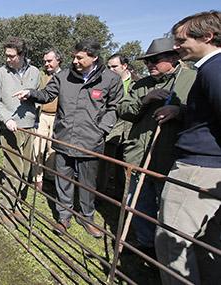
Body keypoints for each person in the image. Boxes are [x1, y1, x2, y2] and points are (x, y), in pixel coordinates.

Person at [14, 39, 123, 238]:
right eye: (73, 57)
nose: (74, 61)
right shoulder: (64, 76)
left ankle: (86, 217)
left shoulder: (110, 79)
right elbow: (47, 95)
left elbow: (115, 107)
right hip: (64, 139)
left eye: (80, 58)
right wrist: (30, 94)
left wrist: (102, 130)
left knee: (87, 183)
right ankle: (63, 217)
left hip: (91, 143)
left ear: (94, 57)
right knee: (62, 180)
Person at [154, 11, 221, 285]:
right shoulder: (209, 69)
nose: (176, 46)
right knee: (206, 244)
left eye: (182, 40)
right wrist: (181, 111)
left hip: (198, 170)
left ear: (207, 36)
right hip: (210, 168)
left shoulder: (214, 69)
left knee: (172, 242)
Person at [117, 37, 196, 256]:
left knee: (167, 207)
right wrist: (145, 100)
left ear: (173, 58)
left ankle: (166, 249)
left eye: (155, 60)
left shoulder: (192, 79)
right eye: (147, 61)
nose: (149, 65)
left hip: (170, 157)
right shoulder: (142, 84)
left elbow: (204, 116)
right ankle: (145, 243)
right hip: (139, 154)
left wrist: (179, 112)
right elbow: (123, 110)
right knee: (138, 201)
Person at [0, 37, 40, 220]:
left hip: (29, 128)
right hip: (10, 128)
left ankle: (16, 204)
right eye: (6, 56)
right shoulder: (0, 74)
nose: (8, 59)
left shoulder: (35, 72)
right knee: (13, 168)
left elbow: (40, 96)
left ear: (22, 54)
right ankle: (5, 208)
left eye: (11, 56)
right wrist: (7, 119)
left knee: (26, 169)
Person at [97, 54, 135, 199]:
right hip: (111, 130)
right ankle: (99, 195)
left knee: (124, 167)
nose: (110, 69)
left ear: (124, 66)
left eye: (114, 66)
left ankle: (121, 197)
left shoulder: (137, 83)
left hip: (130, 131)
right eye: (109, 67)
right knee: (104, 164)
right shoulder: (106, 82)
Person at [32, 49, 63, 191]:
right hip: (42, 115)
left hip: (58, 117)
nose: (46, 64)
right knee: (38, 146)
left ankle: (50, 176)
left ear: (58, 60)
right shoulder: (41, 76)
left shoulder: (65, 76)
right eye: (45, 61)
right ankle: (37, 177)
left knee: (52, 148)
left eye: (49, 61)